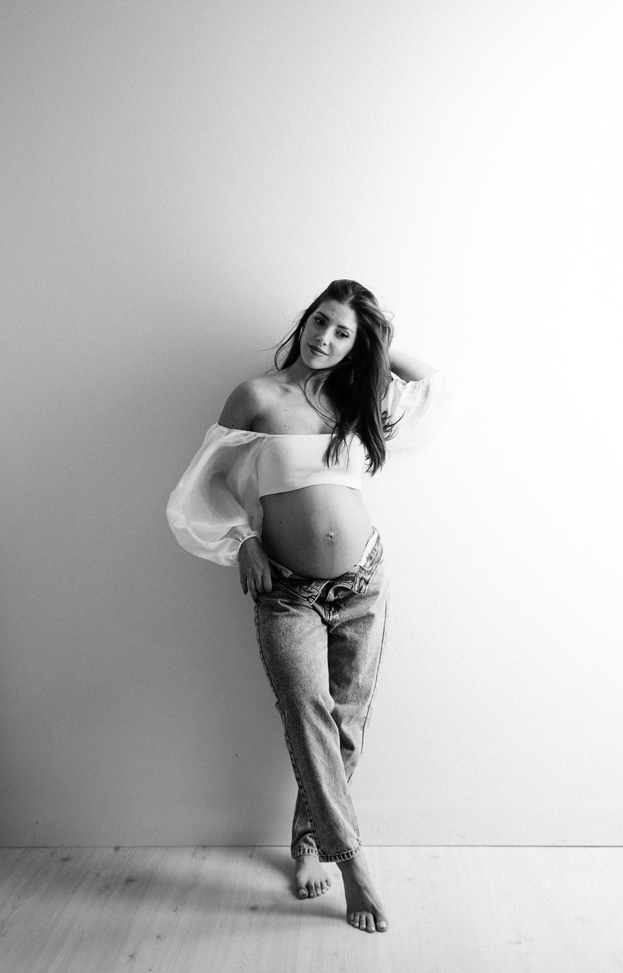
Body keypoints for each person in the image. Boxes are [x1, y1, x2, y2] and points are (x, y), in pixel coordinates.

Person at [166, 279, 449, 934]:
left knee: (346, 720)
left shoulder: (356, 398)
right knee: (306, 714)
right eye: (321, 321)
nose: (325, 337)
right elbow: (204, 483)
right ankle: (354, 867)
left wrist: (377, 344)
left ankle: (309, 843)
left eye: (343, 332)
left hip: (363, 579)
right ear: (305, 319)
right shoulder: (256, 397)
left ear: (357, 344)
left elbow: (435, 389)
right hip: (286, 591)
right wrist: (241, 541)